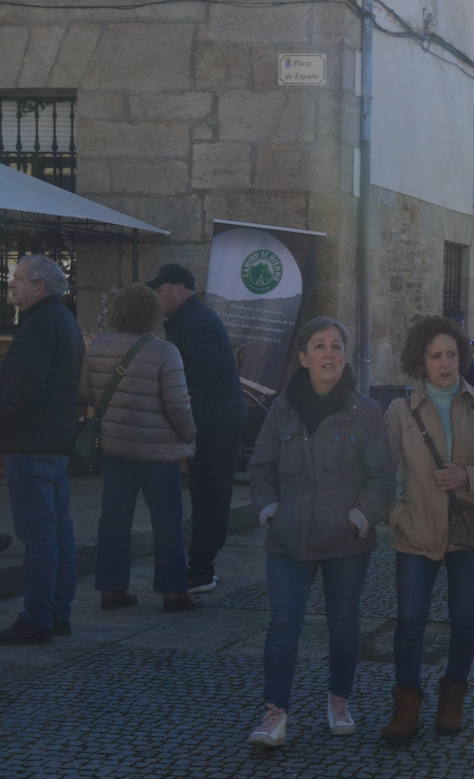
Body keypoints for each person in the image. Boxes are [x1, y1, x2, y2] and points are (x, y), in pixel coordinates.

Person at [246, 318, 393, 747]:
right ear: (304, 357)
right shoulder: (282, 409)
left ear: (344, 356)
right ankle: (275, 711)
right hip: (288, 538)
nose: (329, 354)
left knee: (344, 624)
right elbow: (260, 467)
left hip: (346, 540)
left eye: (336, 346)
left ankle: (339, 699)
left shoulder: (365, 411)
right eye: (320, 346)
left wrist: (362, 516)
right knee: (283, 625)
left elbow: (382, 476)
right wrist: (269, 509)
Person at [381, 316, 474, 745]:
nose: (445, 363)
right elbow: (382, 471)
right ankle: (407, 705)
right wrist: (394, 512)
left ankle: (453, 697)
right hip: (416, 527)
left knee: (465, 615)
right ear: (421, 361)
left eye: (452, 354)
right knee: (411, 618)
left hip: (473, 523)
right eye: (436, 356)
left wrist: (468, 477)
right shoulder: (400, 410)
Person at [82, 285, 200, 614]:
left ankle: (111, 589)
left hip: (116, 446)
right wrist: (190, 437)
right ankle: (174, 592)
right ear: (152, 313)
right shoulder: (164, 351)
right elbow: (178, 405)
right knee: (167, 522)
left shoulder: (96, 347)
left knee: (114, 520)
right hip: (158, 451)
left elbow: (83, 392)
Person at [149, 264, 246, 595]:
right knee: (207, 494)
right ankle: (201, 563)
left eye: (160, 290)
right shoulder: (190, 320)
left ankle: (203, 567)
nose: (157, 298)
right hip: (210, 423)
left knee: (210, 495)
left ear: (178, 288)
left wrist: (182, 425)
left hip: (214, 425)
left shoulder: (197, 323)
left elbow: (198, 382)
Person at [0, 255, 82, 645]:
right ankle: (56, 613)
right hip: (52, 442)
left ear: (40, 287)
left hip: (32, 443)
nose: (11, 282)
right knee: (56, 532)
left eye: (19, 277)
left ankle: (38, 617)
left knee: (39, 536)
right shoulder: (61, 320)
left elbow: (24, 392)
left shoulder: (39, 325)